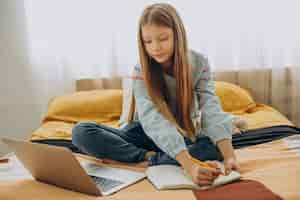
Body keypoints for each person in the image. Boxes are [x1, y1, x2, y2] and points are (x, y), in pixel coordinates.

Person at [72, 3, 240, 186]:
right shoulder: (140, 70)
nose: (156, 48)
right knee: (81, 132)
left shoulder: (199, 63)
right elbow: (152, 118)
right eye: (148, 41)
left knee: (214, 147)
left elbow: (210, 107)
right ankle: (152, 158)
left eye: (163, 38)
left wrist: (229, 156)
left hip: (182, 134)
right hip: (142, 135)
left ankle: (155, 158)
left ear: (178, 35)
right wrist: (189, 166)